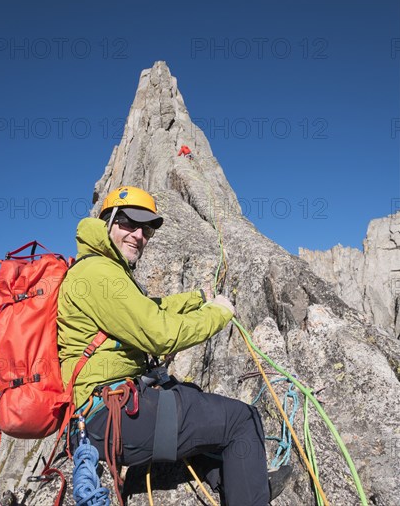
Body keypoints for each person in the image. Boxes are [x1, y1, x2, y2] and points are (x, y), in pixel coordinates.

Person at [57, 185, 285, 505]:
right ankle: (246, 493)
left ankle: (235, 481)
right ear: (106, 221)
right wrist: (219, 312)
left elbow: (150, 308)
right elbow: (159, 333)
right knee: (242, 419)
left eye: (146, 227)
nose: (139, 234)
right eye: (128, 223)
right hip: (109, 416)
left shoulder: (101, 268)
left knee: (188, 395)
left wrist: (197, 299)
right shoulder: (100, 272)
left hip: (101, 412)